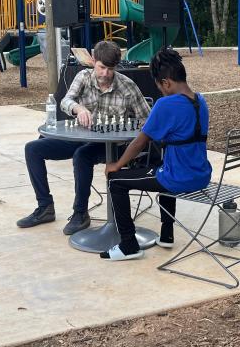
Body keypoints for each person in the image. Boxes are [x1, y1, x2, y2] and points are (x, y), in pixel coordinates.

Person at [17, 40, 151, 234]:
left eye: (110, 69)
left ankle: (80, 213)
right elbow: (66, 101)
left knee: (82, 155)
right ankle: (45, 207)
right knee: (33, 149)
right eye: (102, 67)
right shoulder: (83, 76)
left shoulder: (127, 86)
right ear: (93, 61)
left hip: (112, 146)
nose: (105, 73)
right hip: (83, 137)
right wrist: (78, 108)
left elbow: (148, 120)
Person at [101, 48, 213, 261]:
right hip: (201, 174)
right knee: (161, 163)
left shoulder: (166, 104)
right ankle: (166, 234)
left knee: (116, 181)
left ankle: (128, 245)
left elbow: (140, 142)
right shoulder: (200, 101)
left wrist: (117, 164)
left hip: (178, 178)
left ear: (167, 82)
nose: (161, 91)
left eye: (160, 87)